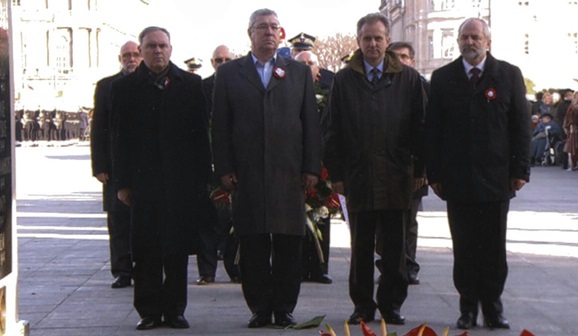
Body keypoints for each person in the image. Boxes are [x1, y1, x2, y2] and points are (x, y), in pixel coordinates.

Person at [211, 8, 321, 329]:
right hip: (247, 173)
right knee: (254, 242)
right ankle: (260, 308)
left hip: (288, 173)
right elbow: (220, 126)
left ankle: (284, 308)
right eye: (262, 27)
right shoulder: (231, 73)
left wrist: (311, 167)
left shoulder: (297, 73)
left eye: (275, 27)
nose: (270, 33)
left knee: (288, 243)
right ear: (250, 34)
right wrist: (225, 168)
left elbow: (310, 125)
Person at [425, 18, 531, 330]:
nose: (469, 42)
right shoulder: (443, 78)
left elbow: (521, 127)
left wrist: (520, 170)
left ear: (488, 42)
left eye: (475, 37)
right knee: (464, 247)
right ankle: (467, 307)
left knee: (494, 248)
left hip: (496, 178)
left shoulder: (508, 75)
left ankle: (494, 308)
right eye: (465, 37)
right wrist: (434, 173)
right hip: (457, 180)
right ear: (458, 41)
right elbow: (433, 130)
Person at [323, 13, 426, 326]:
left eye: (378, 38)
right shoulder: (343, 79)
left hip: (397, 176)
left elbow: (421, 126)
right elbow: (332, 130)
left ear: (387, 41)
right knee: (362, 247)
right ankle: (363, 306)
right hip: (359, 175)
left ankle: (391, 304)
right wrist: (337, 174)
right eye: (366, 38)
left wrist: (420, 169)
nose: (372, 44)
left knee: (395, 248)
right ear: (358, 42)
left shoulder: (408, 79)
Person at [111, 26, 212, 330]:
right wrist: (123, 184)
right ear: (140, 51)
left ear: (171, 49)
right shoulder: (125, 89)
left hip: (180, 183)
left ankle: (176, 309)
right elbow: (119, 140)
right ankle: (149, 311)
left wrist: (203, 180)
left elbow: (200, 138)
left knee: (177, 248)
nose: (158, 51)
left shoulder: (190, 85)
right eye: (151, 46)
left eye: (163, 46)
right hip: (143, 184)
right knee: (146, 249)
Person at [376, 41, 429, 286]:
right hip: (383, 167)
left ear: (412, 60)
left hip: (413, 167)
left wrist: (425, 168)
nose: (400, 60)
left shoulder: (423, 86)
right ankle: (387, 264)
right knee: (383, 222)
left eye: (404, 56)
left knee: (408, 220)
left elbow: (429, 130)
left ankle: (408, 264)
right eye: (394, 56)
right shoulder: (382, 84)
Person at [91, 41, 141, 290]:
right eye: (126, 55)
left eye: (135, 54)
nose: (131, 59)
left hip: (144, 166)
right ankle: (122, 270)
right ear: (120, 58)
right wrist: (99, 166)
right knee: (118, 221)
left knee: (145, 221)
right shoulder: (106, 86)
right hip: (114, 166)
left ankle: (144, 267)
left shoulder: (152, 82)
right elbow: (98, 127)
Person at [196, 44, 240, 285]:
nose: (222, 64)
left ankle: (235, 269)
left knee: (235, 219)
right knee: (207, 220)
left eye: (227, 60)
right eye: (218, 60)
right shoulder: (202, 87)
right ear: (212, 63)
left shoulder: (241, 85)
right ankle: (207, 271)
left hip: (235, 163)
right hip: (208, 163)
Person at [294, 50, 333, 285]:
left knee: (321, 215)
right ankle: (297, 267)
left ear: (319, 69)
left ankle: (320, 267)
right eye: (303, 64)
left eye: (312, 63)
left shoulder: (327, 93)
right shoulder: (288, 89)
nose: (308, 67)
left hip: (321, 163)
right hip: (294, 162)